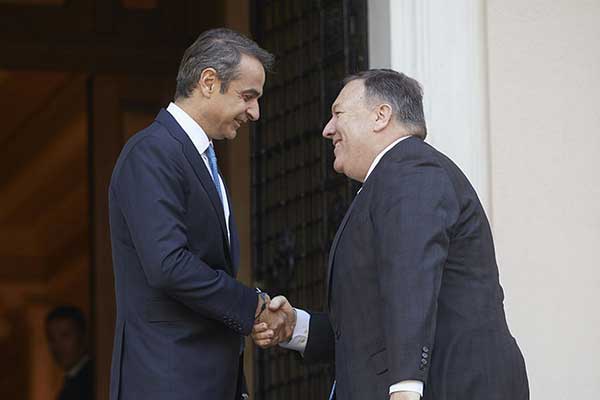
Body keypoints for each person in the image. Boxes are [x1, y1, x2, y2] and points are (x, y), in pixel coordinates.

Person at [253, 69, 529, 400]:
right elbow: (372, 328)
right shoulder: (390, 179)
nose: (328, 129)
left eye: (338, 113)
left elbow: (411, 278)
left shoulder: (410, 170)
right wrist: (296, 326)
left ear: (381, 116)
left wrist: (405, 387)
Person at [108, 28, 292, 400]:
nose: (255, 112)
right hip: (168, 381)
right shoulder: (152, 152)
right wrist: (253, 306)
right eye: (248, 96)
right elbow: (169, 264)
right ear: (208, 82)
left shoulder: (197, 157)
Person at [45, 305, 92, 400]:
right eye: (52, 338)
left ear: (82, 336)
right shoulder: (72, 381)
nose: (58, 346)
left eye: (65, 336)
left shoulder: (92, 381)